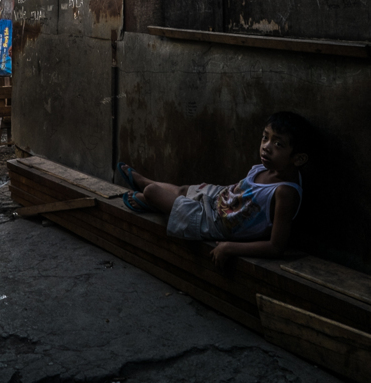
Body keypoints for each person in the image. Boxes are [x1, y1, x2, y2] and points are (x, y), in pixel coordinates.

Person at [118, 111, 312, 268]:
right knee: (182, 189)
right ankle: (142, 181)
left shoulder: (285, 193)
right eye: (265, 138)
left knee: (152, 191)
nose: (266, 147)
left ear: (298, 158)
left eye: (278, 144)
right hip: (220, 197)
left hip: (214, 223)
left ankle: (150, 198)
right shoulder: (264, 167)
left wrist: (230, 247)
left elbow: (276, 247)